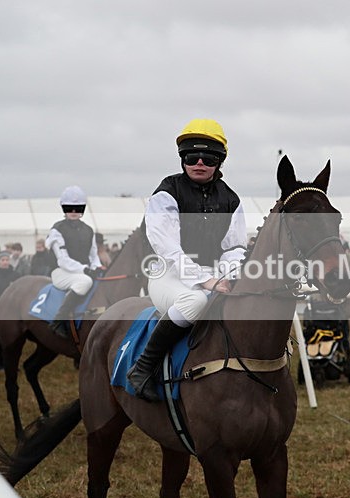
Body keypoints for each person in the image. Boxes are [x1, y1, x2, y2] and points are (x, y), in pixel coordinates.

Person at [126, 118, 247, 402]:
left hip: (213, 277)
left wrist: (228, 276)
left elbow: (235, 247)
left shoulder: (231, 199)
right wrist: (206, 280)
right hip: (167, 276)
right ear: (182, 159)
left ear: (220, 162)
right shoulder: (166, 193)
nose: (200, 162)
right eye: (192, 156)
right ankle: (142, 368)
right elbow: (167, 248)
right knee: (195, 302)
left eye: (209, 157)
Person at [46, 185, 103, 338]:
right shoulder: (57, 230)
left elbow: (93, 254)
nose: (73, 212)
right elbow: (63, 260)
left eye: (76, 208)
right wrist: (85, 270)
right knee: (85, 282)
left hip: (82, 271)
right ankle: (58, 320)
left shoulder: (89, 230)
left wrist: (96, 267)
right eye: (69, 208)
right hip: (61, 272)